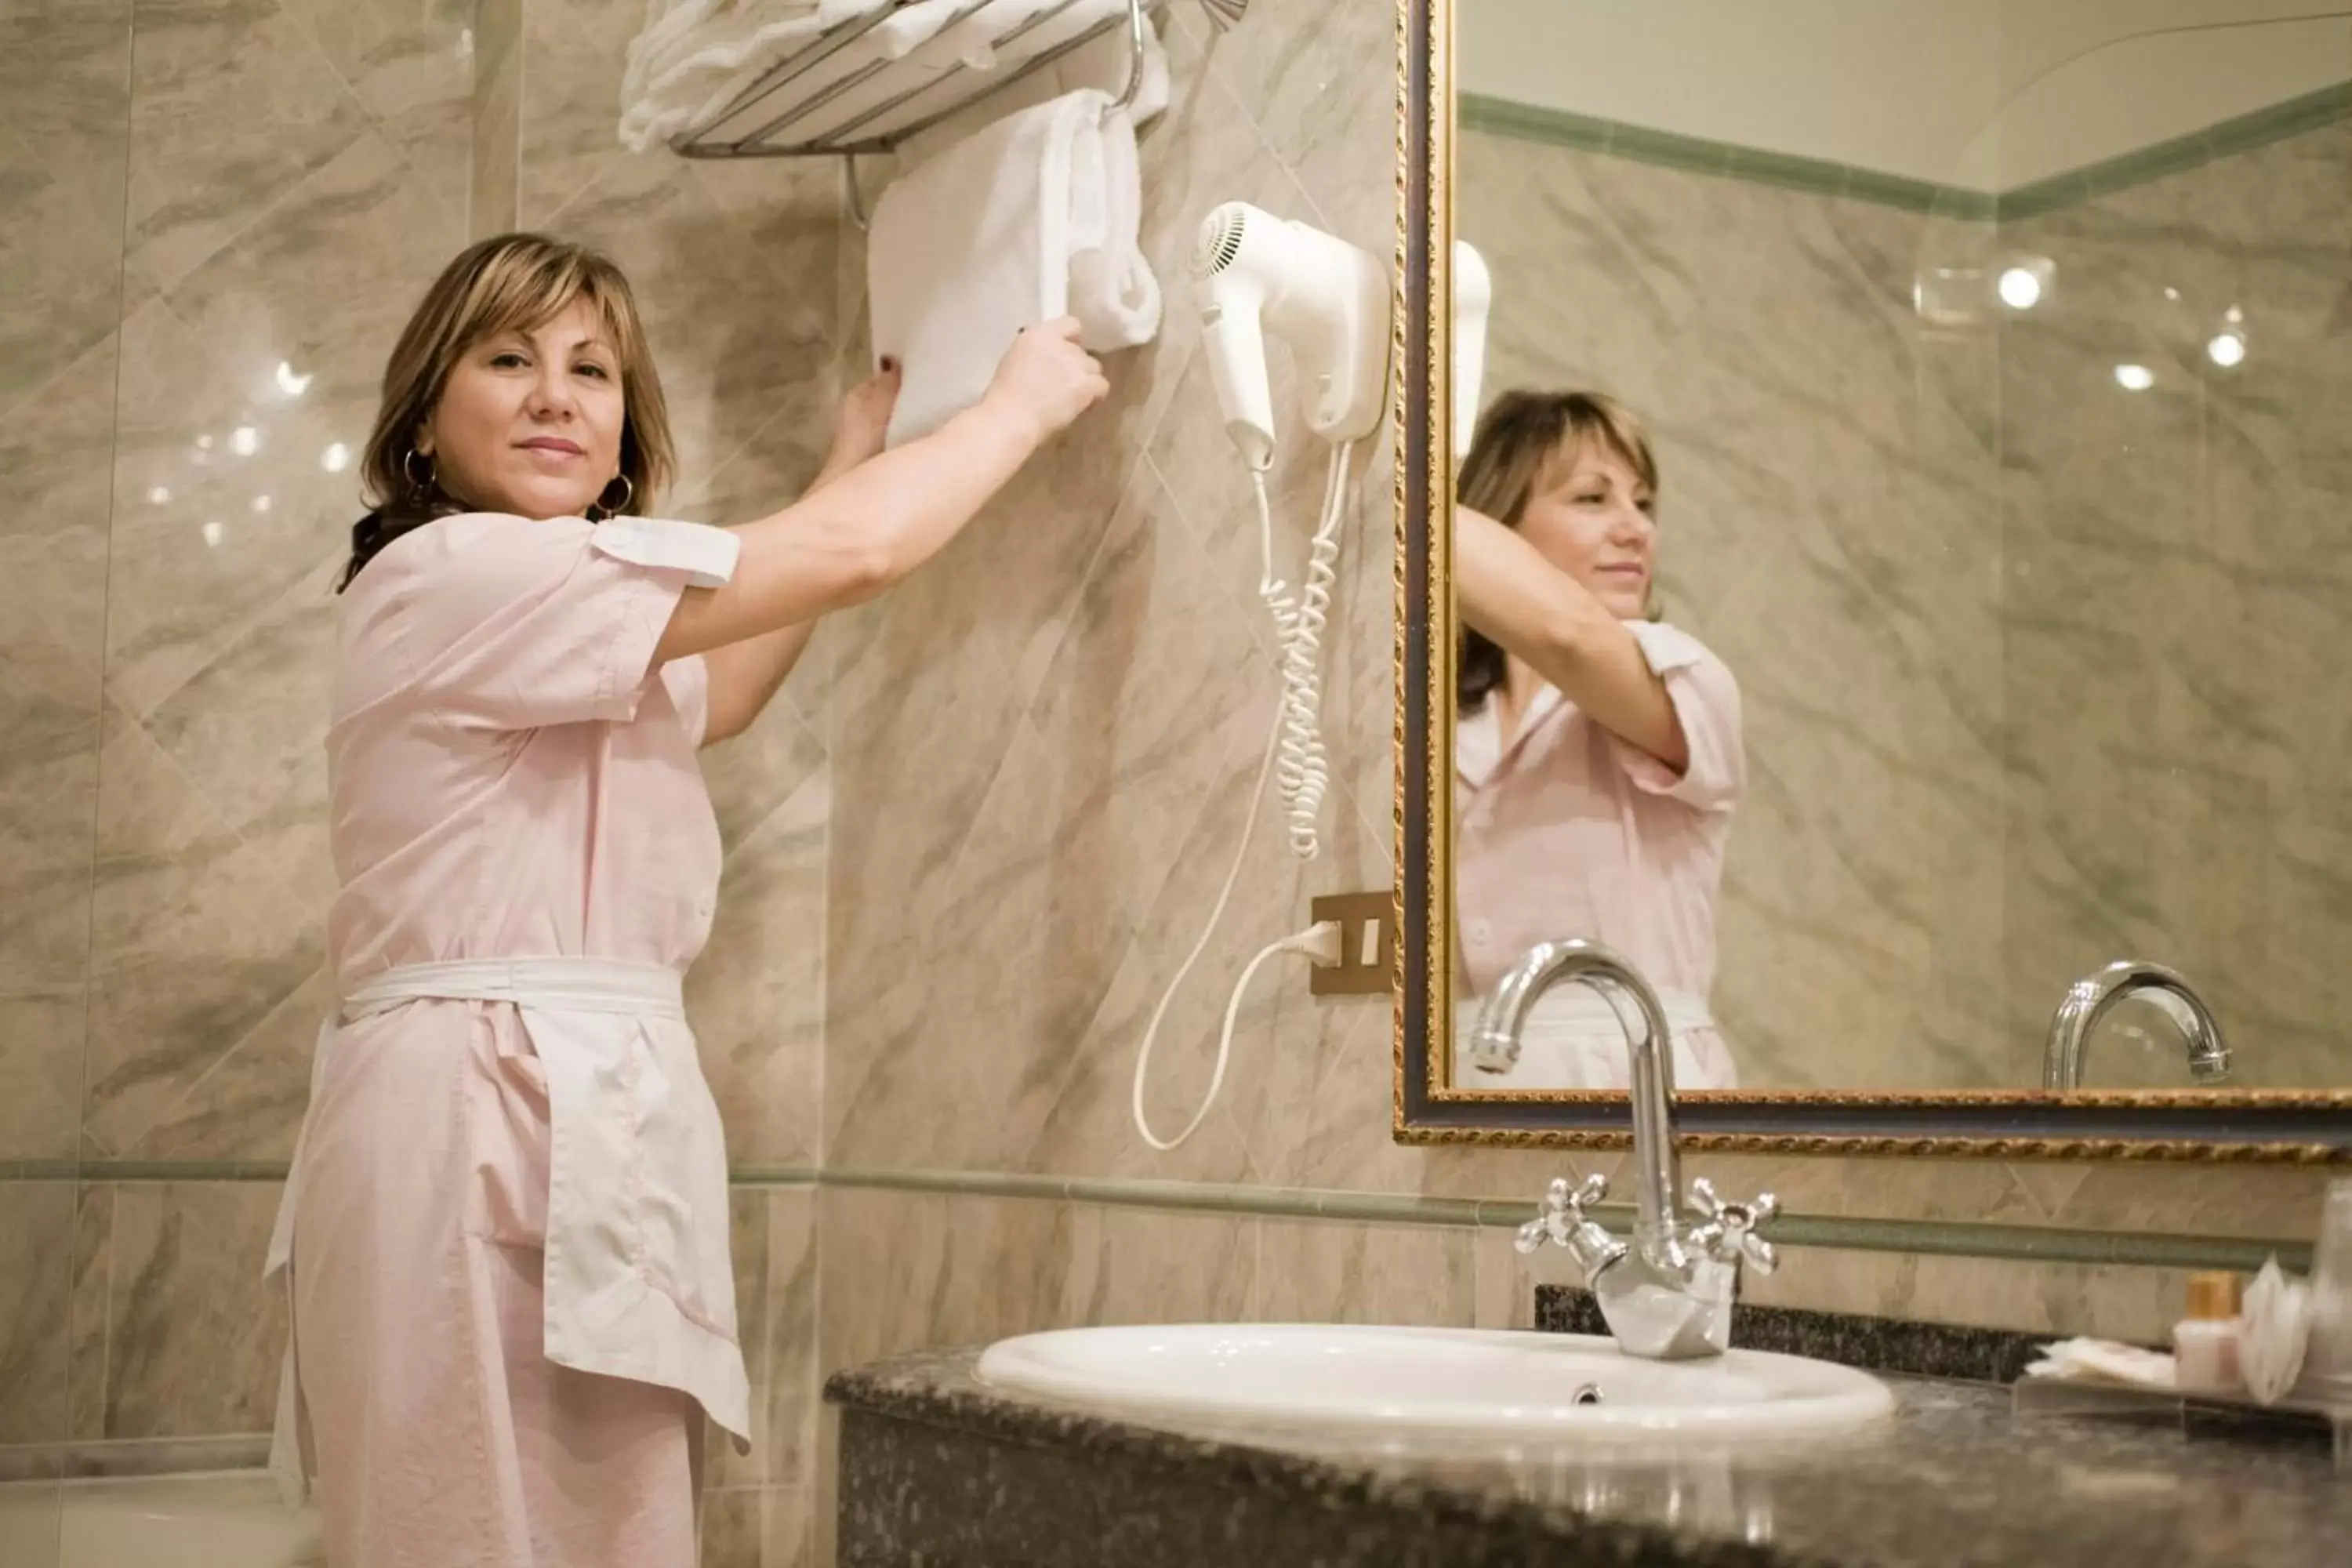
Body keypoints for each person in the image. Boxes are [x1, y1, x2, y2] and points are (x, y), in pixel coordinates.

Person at [261, 232, 1108, 1566]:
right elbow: (859, 556)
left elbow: (743, 675)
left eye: (592, 370)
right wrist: (1017, 407)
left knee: (609, 1530)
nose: (556, 393)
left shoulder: (578, 627)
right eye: (508, 358)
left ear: (623, 435)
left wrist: (847, 460)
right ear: (426, 420)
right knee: (463, 1530)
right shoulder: (448, 576)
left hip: (579, 1101)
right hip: (469, 1111)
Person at [1451, 390, 1744, 1091]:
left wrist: (1396, 486)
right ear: (1500, 524)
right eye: (1593, 499)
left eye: (1643, 504)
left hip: (1639, 1086)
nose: (1635, 530)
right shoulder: (1438, 720)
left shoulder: (1684, 679)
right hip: (1461, 1087)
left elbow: (1569, 637)